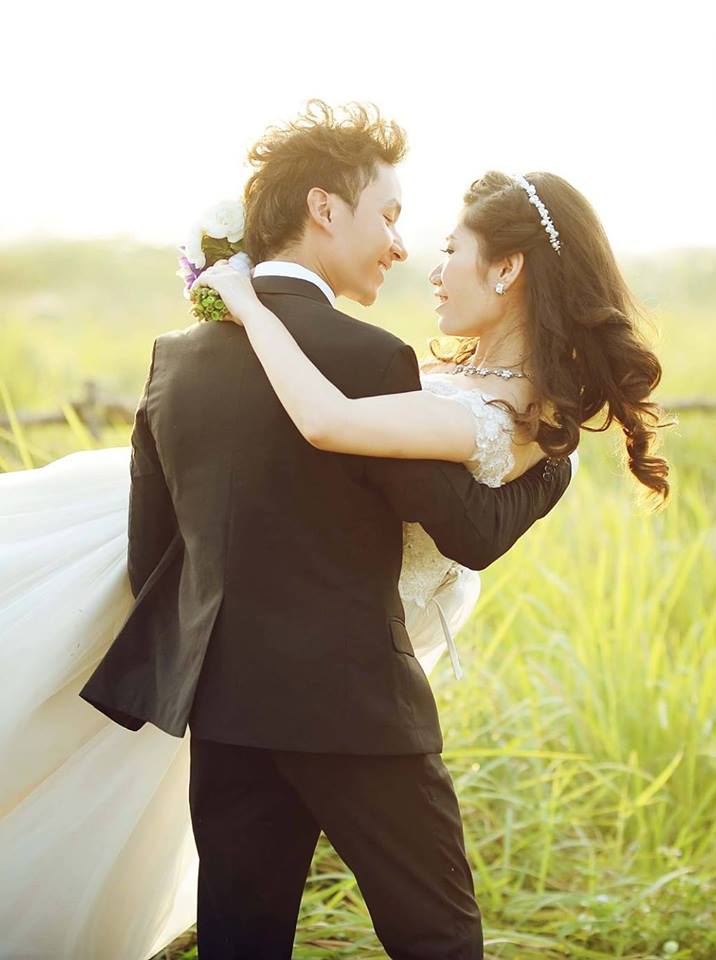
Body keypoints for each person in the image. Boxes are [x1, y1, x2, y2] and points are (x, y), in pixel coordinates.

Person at [0, 98, 666, 960]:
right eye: (391, 217)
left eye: (438, 242)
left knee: (241, 940)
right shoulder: (374, 361)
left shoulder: (179, 356)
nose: (406, 249)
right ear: (324, 208)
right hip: (356, 704)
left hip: (227, 705)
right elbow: (460, 522)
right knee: (437, 938)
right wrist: (553, 468)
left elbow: (150, 552)